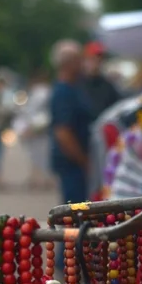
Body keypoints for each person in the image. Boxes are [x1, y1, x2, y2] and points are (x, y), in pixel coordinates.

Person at [49, 40, 92, 205]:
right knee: (75, 211)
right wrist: (83, 160)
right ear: (68, 63)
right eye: (79, 59)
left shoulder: (74, 88)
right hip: (72, 164)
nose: (82, 63)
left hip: (75, 163)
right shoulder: (63, 92)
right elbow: (63, 133)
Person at [16, 69, 54, 191]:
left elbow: (40, 114)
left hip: (40, 130)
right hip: (38, 130)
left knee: (41, 157)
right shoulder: (43, 92)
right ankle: (39, 179)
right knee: (39, 157)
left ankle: (41, 179)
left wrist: (31, 127)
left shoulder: (42, 93)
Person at [81, 42, 122, 124]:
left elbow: (119, 103)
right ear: (85, 60)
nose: (97, 62)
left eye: (100, 58)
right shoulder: (78, 84)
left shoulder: (106, 83)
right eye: (93, 58)